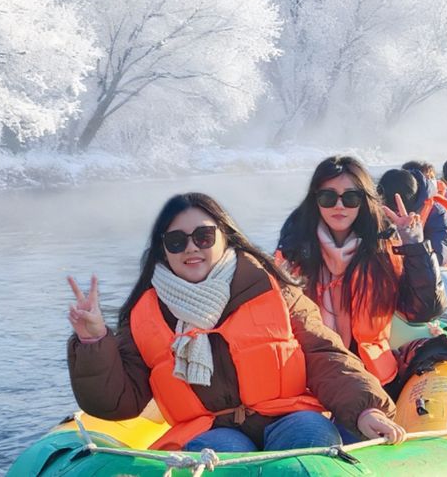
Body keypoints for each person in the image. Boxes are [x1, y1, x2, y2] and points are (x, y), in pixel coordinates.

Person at [67, 193, 407, 454]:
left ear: (225, 237)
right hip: (210, 430)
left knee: (311, 436)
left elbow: (325, 355)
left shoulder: (274, 288)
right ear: (163, 250)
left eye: (203, 236)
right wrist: (93, 343)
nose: (191, 248)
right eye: (176, 241)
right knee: (220, 455)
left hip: (287, 415)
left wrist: (365, 409)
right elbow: (118, 402)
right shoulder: (144, 315)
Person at [276, 156, 447, 397]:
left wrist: (415, 246)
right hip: (311, 378)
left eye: (350, 198)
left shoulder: (384, 251)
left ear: (364, 201)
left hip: (374, 377)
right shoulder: (292, 255)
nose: (339, 206)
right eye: (328, 197)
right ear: (315, 200)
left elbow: (424, 310)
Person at [392, 165, 447, 266]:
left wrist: (412, 241)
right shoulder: (383, 213)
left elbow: (439, 256)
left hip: (446, 265)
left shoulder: (437, 212)